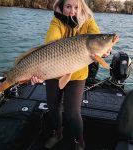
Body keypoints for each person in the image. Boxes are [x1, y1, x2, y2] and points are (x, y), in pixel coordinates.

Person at [31, 0, 111, 149]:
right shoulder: (57, 21)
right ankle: (58, 133)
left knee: (72, 113)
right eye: (68, 7)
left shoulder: (88, 21)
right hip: (54, 71)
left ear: (81, 7)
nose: (72, 11)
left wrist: (106, 50)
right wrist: (37, 73)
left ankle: (79, 141)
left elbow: (98, 38)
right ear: (62, 7)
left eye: (76, 7)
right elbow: (51, 44)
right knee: (53, 108)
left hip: (78, 74)